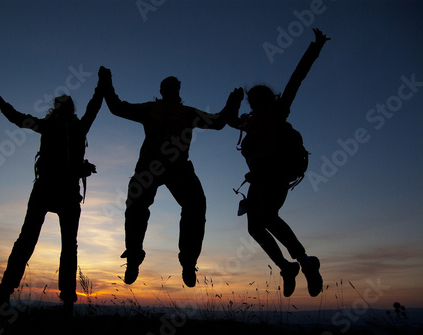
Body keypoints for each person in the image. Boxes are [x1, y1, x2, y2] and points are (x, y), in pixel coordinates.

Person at [98, 66, 243, 287]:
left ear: (178, 90)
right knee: (136, 208)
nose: (171, 89)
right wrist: (106, 81)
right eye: (167, 86)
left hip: (178, 167)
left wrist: (233, 103)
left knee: (195, 206)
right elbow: (117, 107)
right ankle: (134, 258)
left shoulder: (187, 112)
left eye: (174, 86)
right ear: (162, 90)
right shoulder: (151, 109)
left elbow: (218, 122)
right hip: (150, 167)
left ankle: (188, 262)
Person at [0, 76, 103, 313]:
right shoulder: (70, 127)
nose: (65, 110)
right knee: (45, 243)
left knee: (49, 243)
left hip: (57, 191)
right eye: (64, 107)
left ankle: (56, 298)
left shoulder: (55, 126)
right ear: (63, 109)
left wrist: (102, 85)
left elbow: (17, 118)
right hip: (57, 191)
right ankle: (9, 292)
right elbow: (16, 118)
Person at [228, 28, 330, 297]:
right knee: (254, 227)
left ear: (265, 99)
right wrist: (233, 100)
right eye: (251, 100)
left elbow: (296, 79)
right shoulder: (249, 123)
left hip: (274, 175)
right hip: (258, 180)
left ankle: (306, 263)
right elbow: (227, 120)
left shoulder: (277, 112)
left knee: (268, 218)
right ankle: (288, 267)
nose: (253, 102)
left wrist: (315, 47)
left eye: (254, 99)